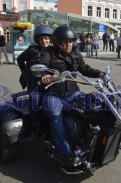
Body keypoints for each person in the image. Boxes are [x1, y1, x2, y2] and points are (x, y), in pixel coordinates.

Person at [40, 25, 104, 173]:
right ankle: (66, 154)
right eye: (65, 42)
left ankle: (93, 144)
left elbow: (85, 69)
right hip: (53, 95)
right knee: (56, 116)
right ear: (57, 42)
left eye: (70, 41)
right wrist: (44, 76)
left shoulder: (75, 55)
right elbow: (41, 67)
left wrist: (100, 74)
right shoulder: (49, 53)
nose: (68, 44)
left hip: (73, 94)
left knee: (96, 105)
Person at [17, 24, 54, 93]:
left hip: (48, 81)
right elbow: (20, 59)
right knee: (34, 99)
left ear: (50, 39)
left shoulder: (53, 51)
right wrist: (26, 73)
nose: (44, 41)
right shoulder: (32, 50)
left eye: (46, 38)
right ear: (37, 40)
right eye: (41, 39)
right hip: (33, 82)